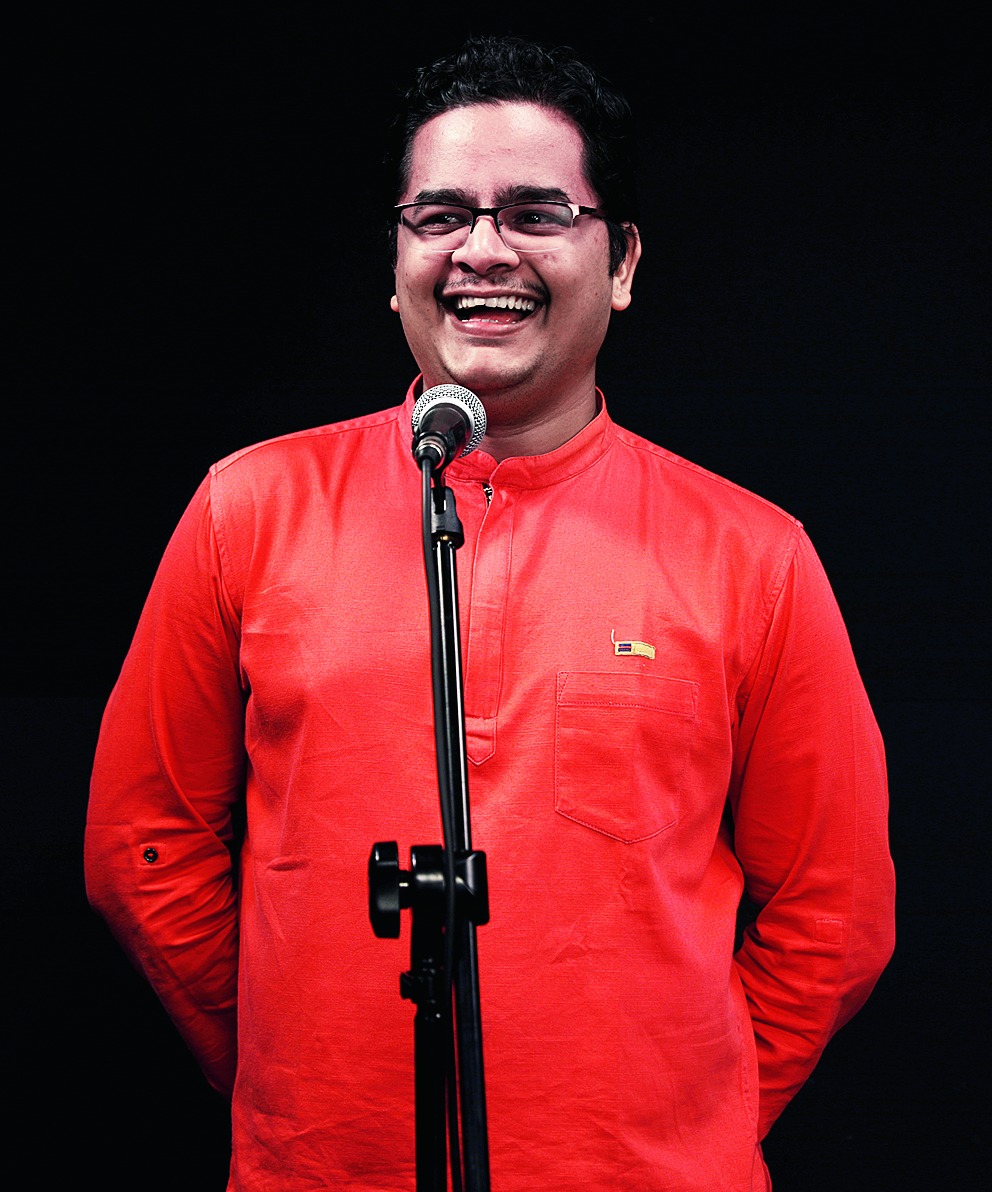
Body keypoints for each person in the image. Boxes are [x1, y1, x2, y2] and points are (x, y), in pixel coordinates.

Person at [85, 34, 896, 1191]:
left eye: (533, 212)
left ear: (620, 260)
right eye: (439, 216)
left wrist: (685, 1118)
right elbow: (143, 840)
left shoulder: (751, 555)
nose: (481, 250)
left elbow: (835, 909)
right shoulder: (247, 509)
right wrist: (292, 1079)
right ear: (395, 260)